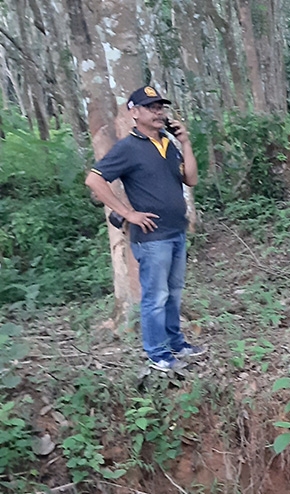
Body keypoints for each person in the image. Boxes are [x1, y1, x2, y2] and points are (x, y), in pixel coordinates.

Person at [85, 85, 203, 373]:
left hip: (176, 231)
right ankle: (157, 352)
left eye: (161, 107)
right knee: (156, 295)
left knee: (174, 292)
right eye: (151, 108)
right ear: (134, 112)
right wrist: (127, 212)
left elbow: (191, 179)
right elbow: (94, 180)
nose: (158, 112)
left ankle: (177, 343)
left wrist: (185, 143)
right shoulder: (127, 147)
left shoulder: (168, 143)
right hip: (152, 238)